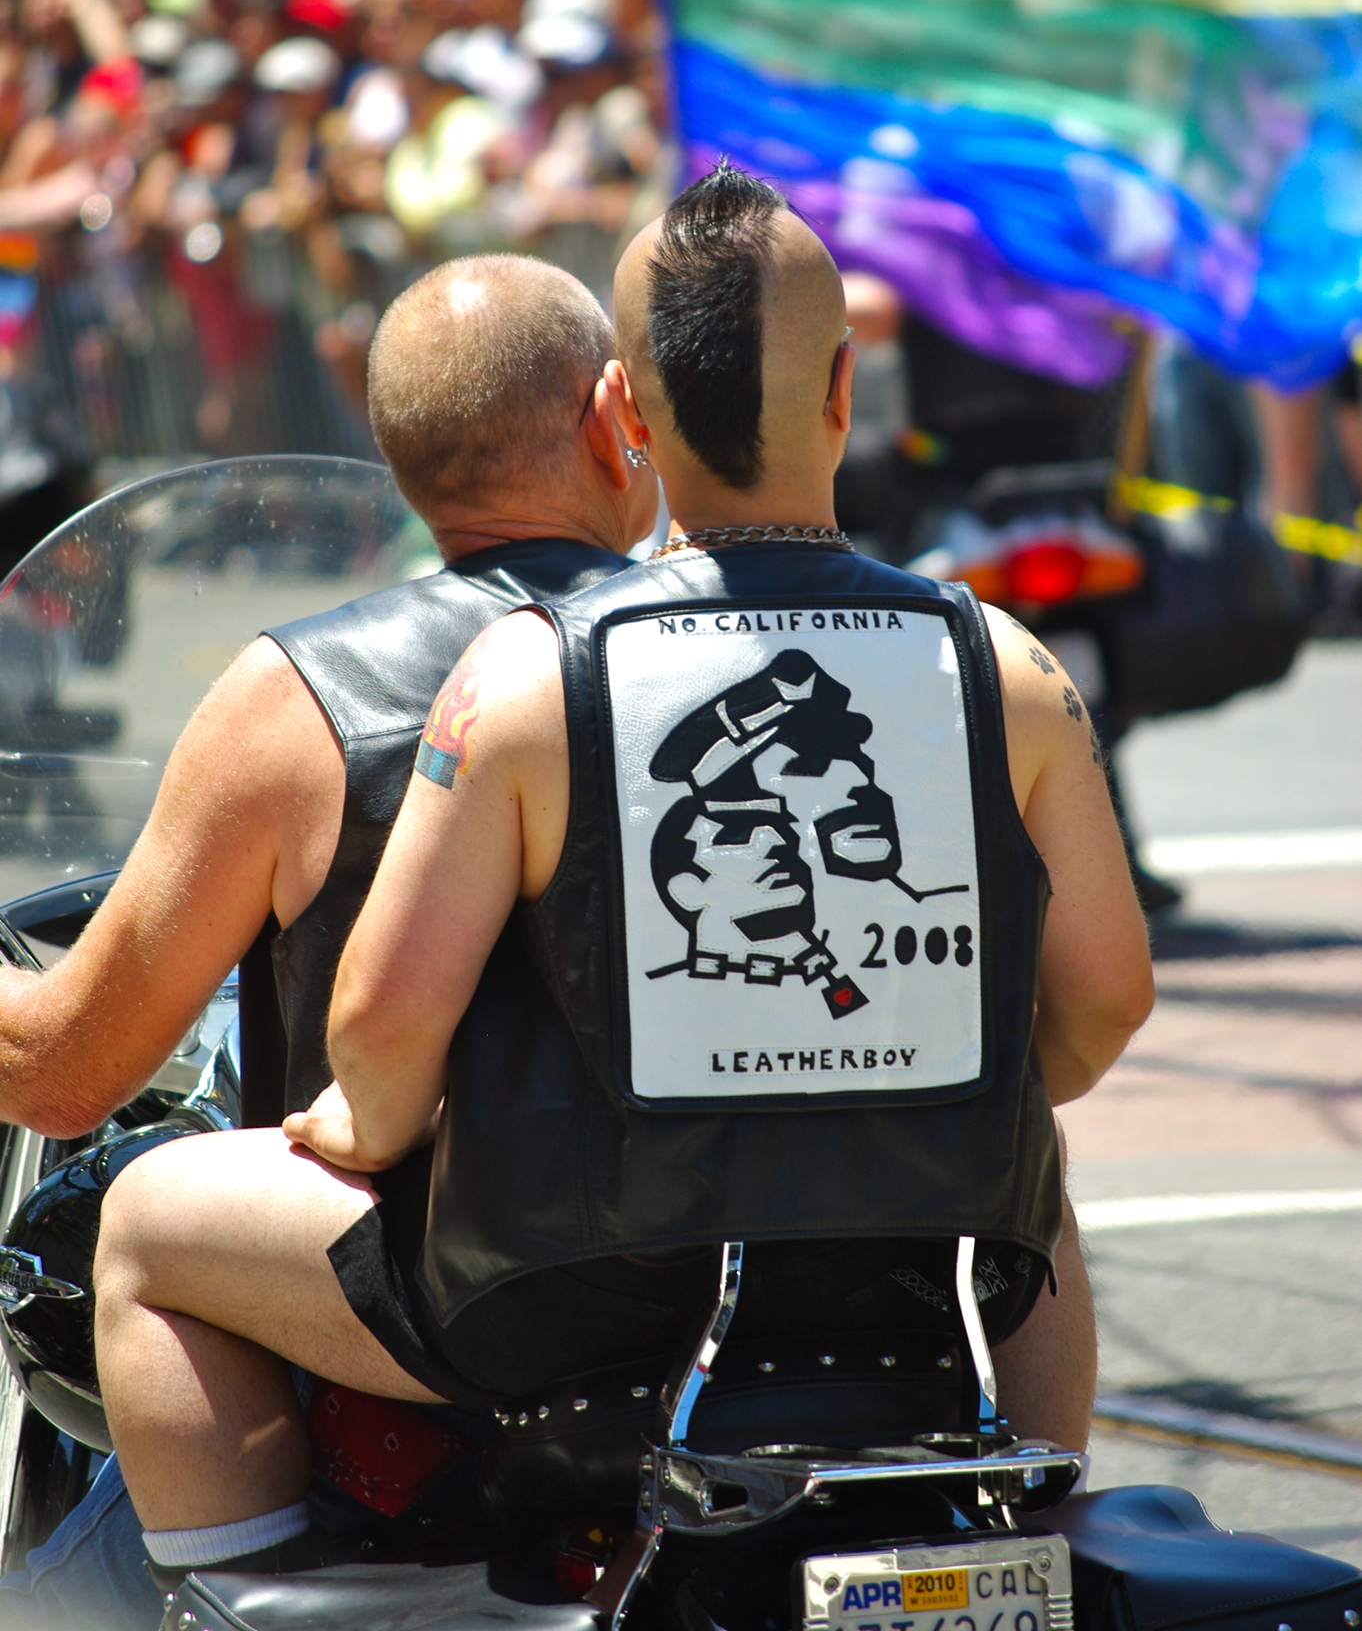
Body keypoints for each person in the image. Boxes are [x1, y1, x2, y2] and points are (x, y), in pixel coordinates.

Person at [91, 166, 1153, 1608]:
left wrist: (363, 1121)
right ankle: (1009, 1551)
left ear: (623, 417)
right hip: (928, 1281)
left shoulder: (528, 675)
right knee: (1035, 1187)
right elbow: (1103, 1002)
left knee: (141, 1222)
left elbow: (386, 1022)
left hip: (577, 1299)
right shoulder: (1003, 664)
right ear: (845, 388)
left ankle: (290, 1598)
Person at [0, 251, 653, 1627]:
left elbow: (66, 1071)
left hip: (456, 1309)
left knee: (134, 1232)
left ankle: (239, 1600)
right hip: (770, 1279)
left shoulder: (302, 695)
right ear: (615, 417)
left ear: (400, 455)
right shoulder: (712, 657)